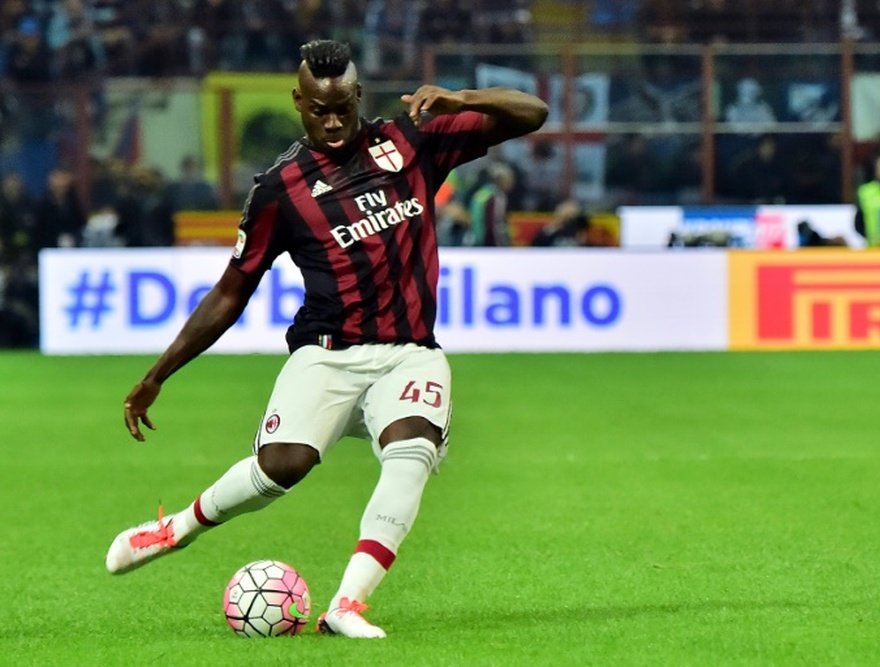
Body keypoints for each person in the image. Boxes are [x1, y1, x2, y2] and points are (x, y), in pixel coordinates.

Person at [104, 40, 548, 639]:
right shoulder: (278, 189)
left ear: (359, 97)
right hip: (328, 353)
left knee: (411, 453)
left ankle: (346, 605)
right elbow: (231, 292)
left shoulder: (411, 140)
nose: (333, 121)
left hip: (410, 352)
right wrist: (157, 374)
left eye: (343, 107)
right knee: (281, 467)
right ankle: (177, 528)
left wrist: (460, 96)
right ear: (299, 102)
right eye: (319, 109)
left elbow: (534, 112)